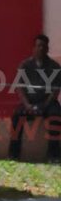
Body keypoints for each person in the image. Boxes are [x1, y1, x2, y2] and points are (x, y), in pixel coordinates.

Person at [9, 34, 61, 162]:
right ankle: (13, 155)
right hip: (29, 102)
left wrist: (44, 106)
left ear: (47, 48)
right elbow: (19, 88)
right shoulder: (25, 65)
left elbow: (55, 90)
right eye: (38, 46)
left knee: (56, 116)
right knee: (16, 117)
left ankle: (53, 156)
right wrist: (27, 105)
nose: (41, 49)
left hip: (48, 103)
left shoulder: (55, 67)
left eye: (44, 46)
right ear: (34, 48)